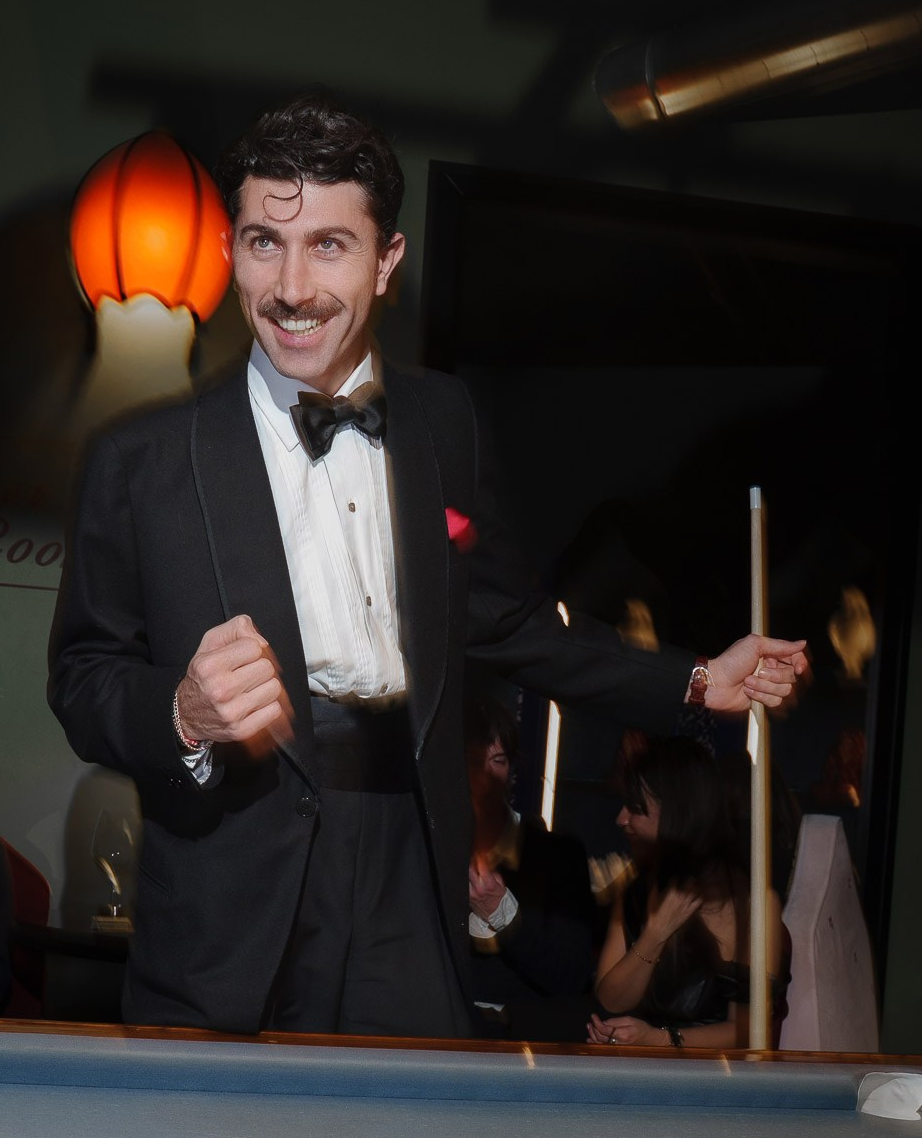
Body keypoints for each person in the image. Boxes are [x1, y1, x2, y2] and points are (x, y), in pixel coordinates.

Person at [48, 96, 805, 1038]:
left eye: (328, 245)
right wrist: (180, 713)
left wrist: (692, 679)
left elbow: (506, 620)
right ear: (231, 250)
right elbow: (83, 681)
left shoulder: (444, 422)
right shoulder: (141, 458)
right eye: (262, 243)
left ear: (387, 260)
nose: (290, 286)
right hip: (229, 877)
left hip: (410, 854)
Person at [587, 737, 788, 1049]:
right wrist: (656, 934)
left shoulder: (753, 904)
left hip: (714, 1079)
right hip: (638, 1071)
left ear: (677, 814)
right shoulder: (640, 890)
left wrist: (660, 1039)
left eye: (636, 808)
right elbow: (610, 1001)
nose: (621, 818)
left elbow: (750, 1032)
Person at [465, 692, 597, 1040]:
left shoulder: (557, 856)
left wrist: (502, 913)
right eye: (472, 761)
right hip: (443, 1045)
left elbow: (572, 975)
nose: (484, 777)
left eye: (498, 760)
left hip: (527, 1050)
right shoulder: (428, 849)